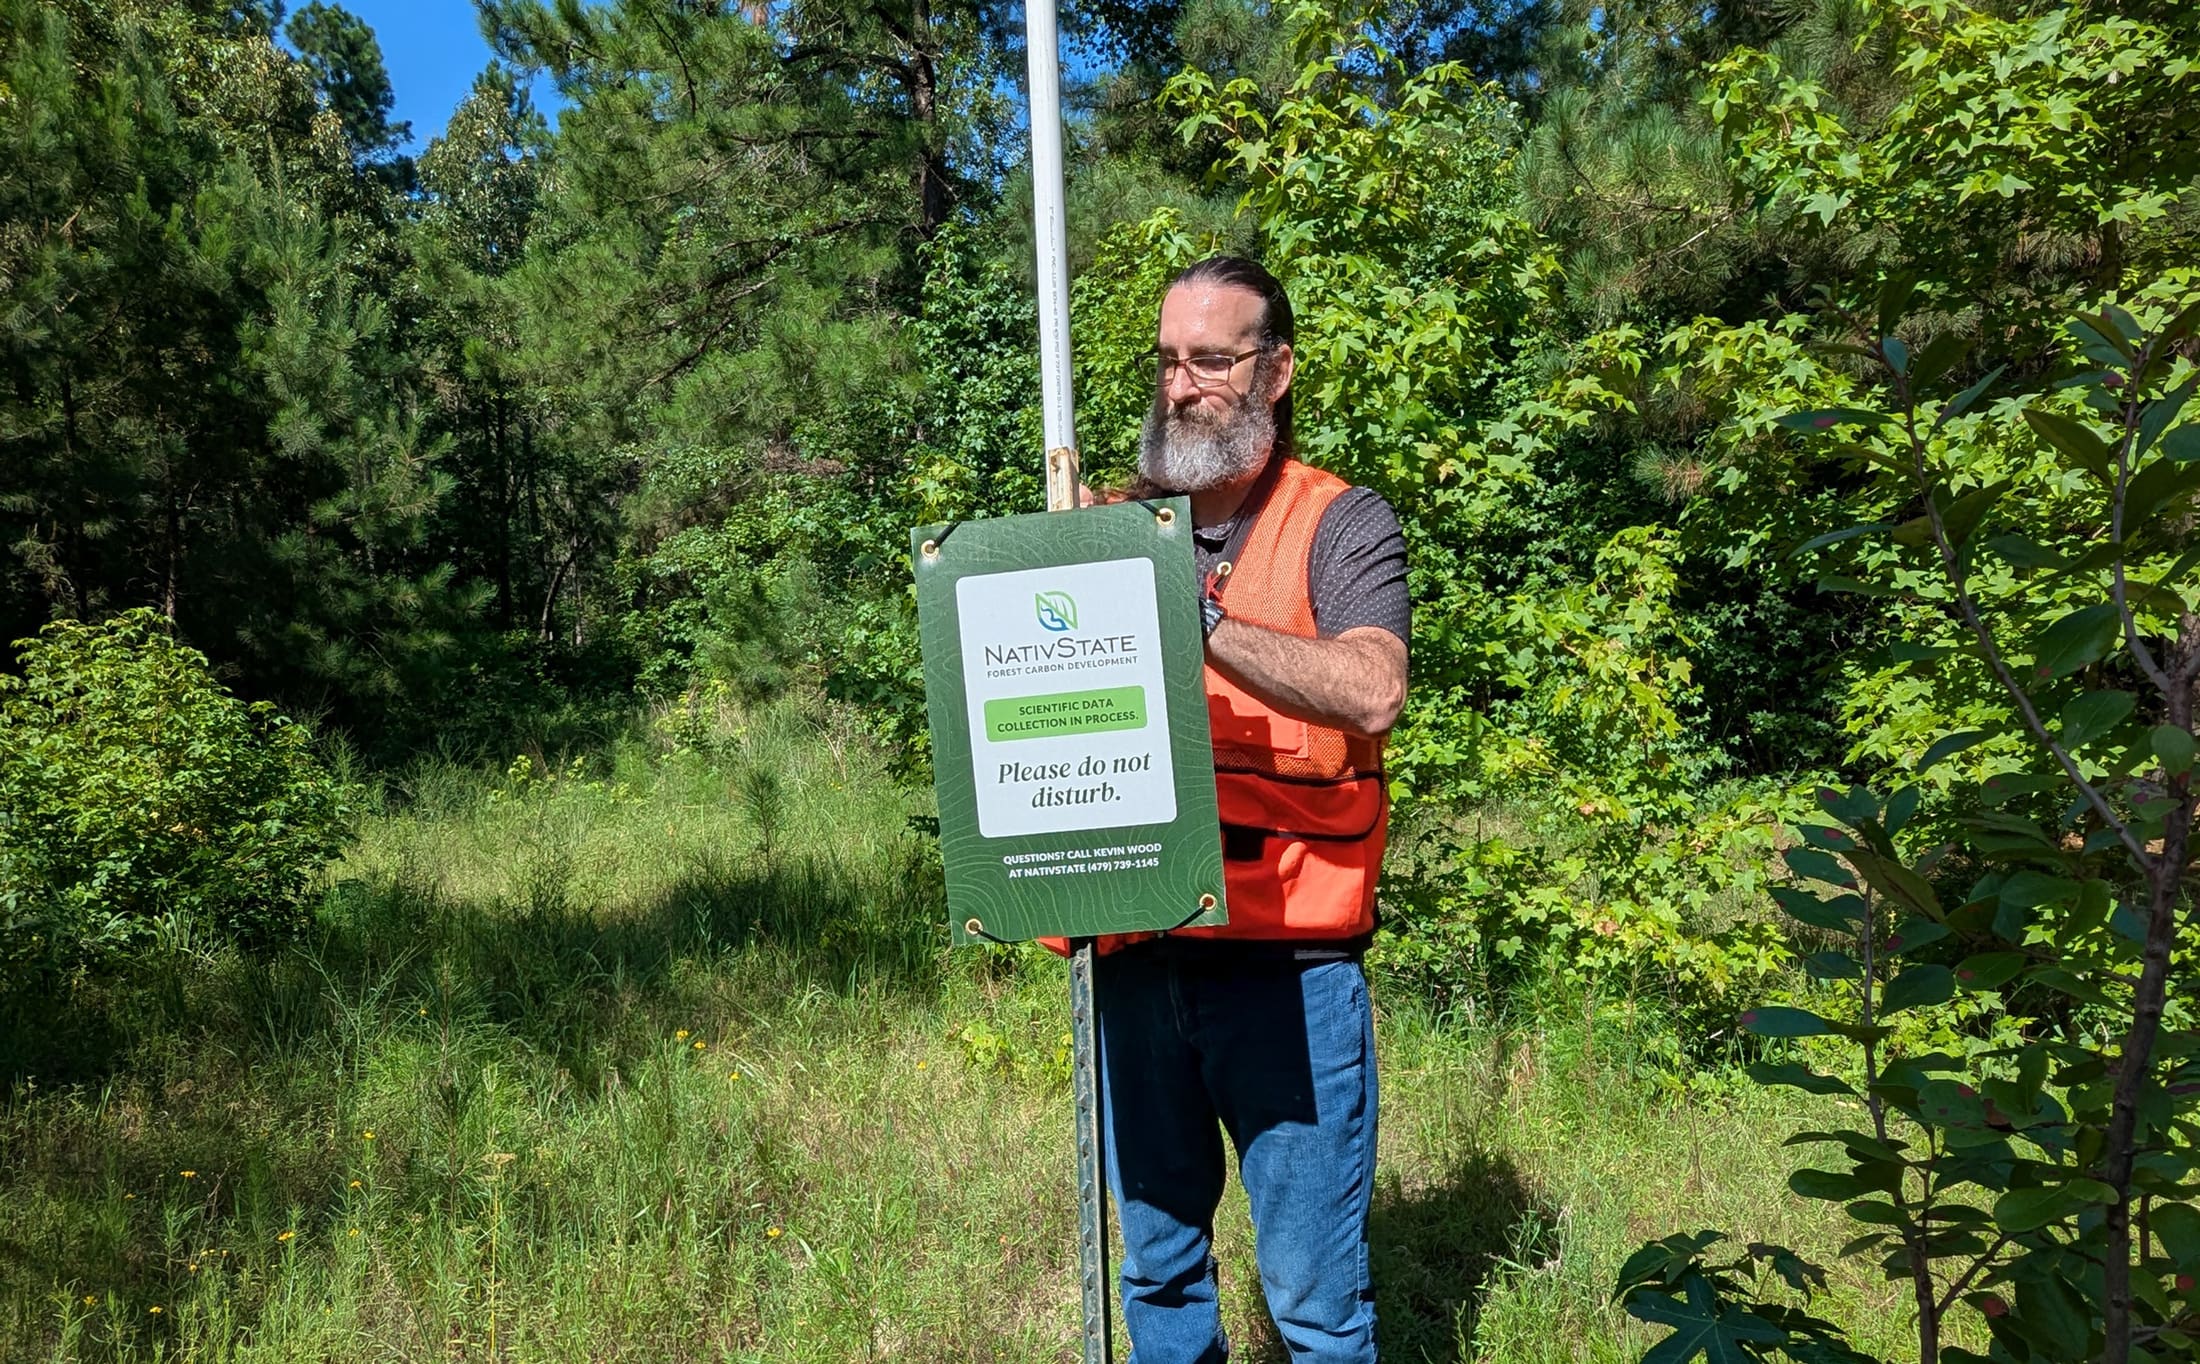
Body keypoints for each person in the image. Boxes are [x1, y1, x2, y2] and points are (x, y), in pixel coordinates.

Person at [1097, 255, 1408, 1364]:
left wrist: (1203, 616)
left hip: (1287, 975)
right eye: (1168, 360)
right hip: (1138, 952)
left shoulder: (1339, 522)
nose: (1180, 385)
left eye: (1212, 360)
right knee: (1160, 1276)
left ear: (1275, 370)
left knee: (1318, 1308)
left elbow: (1374, 687)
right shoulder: (1106, 527)